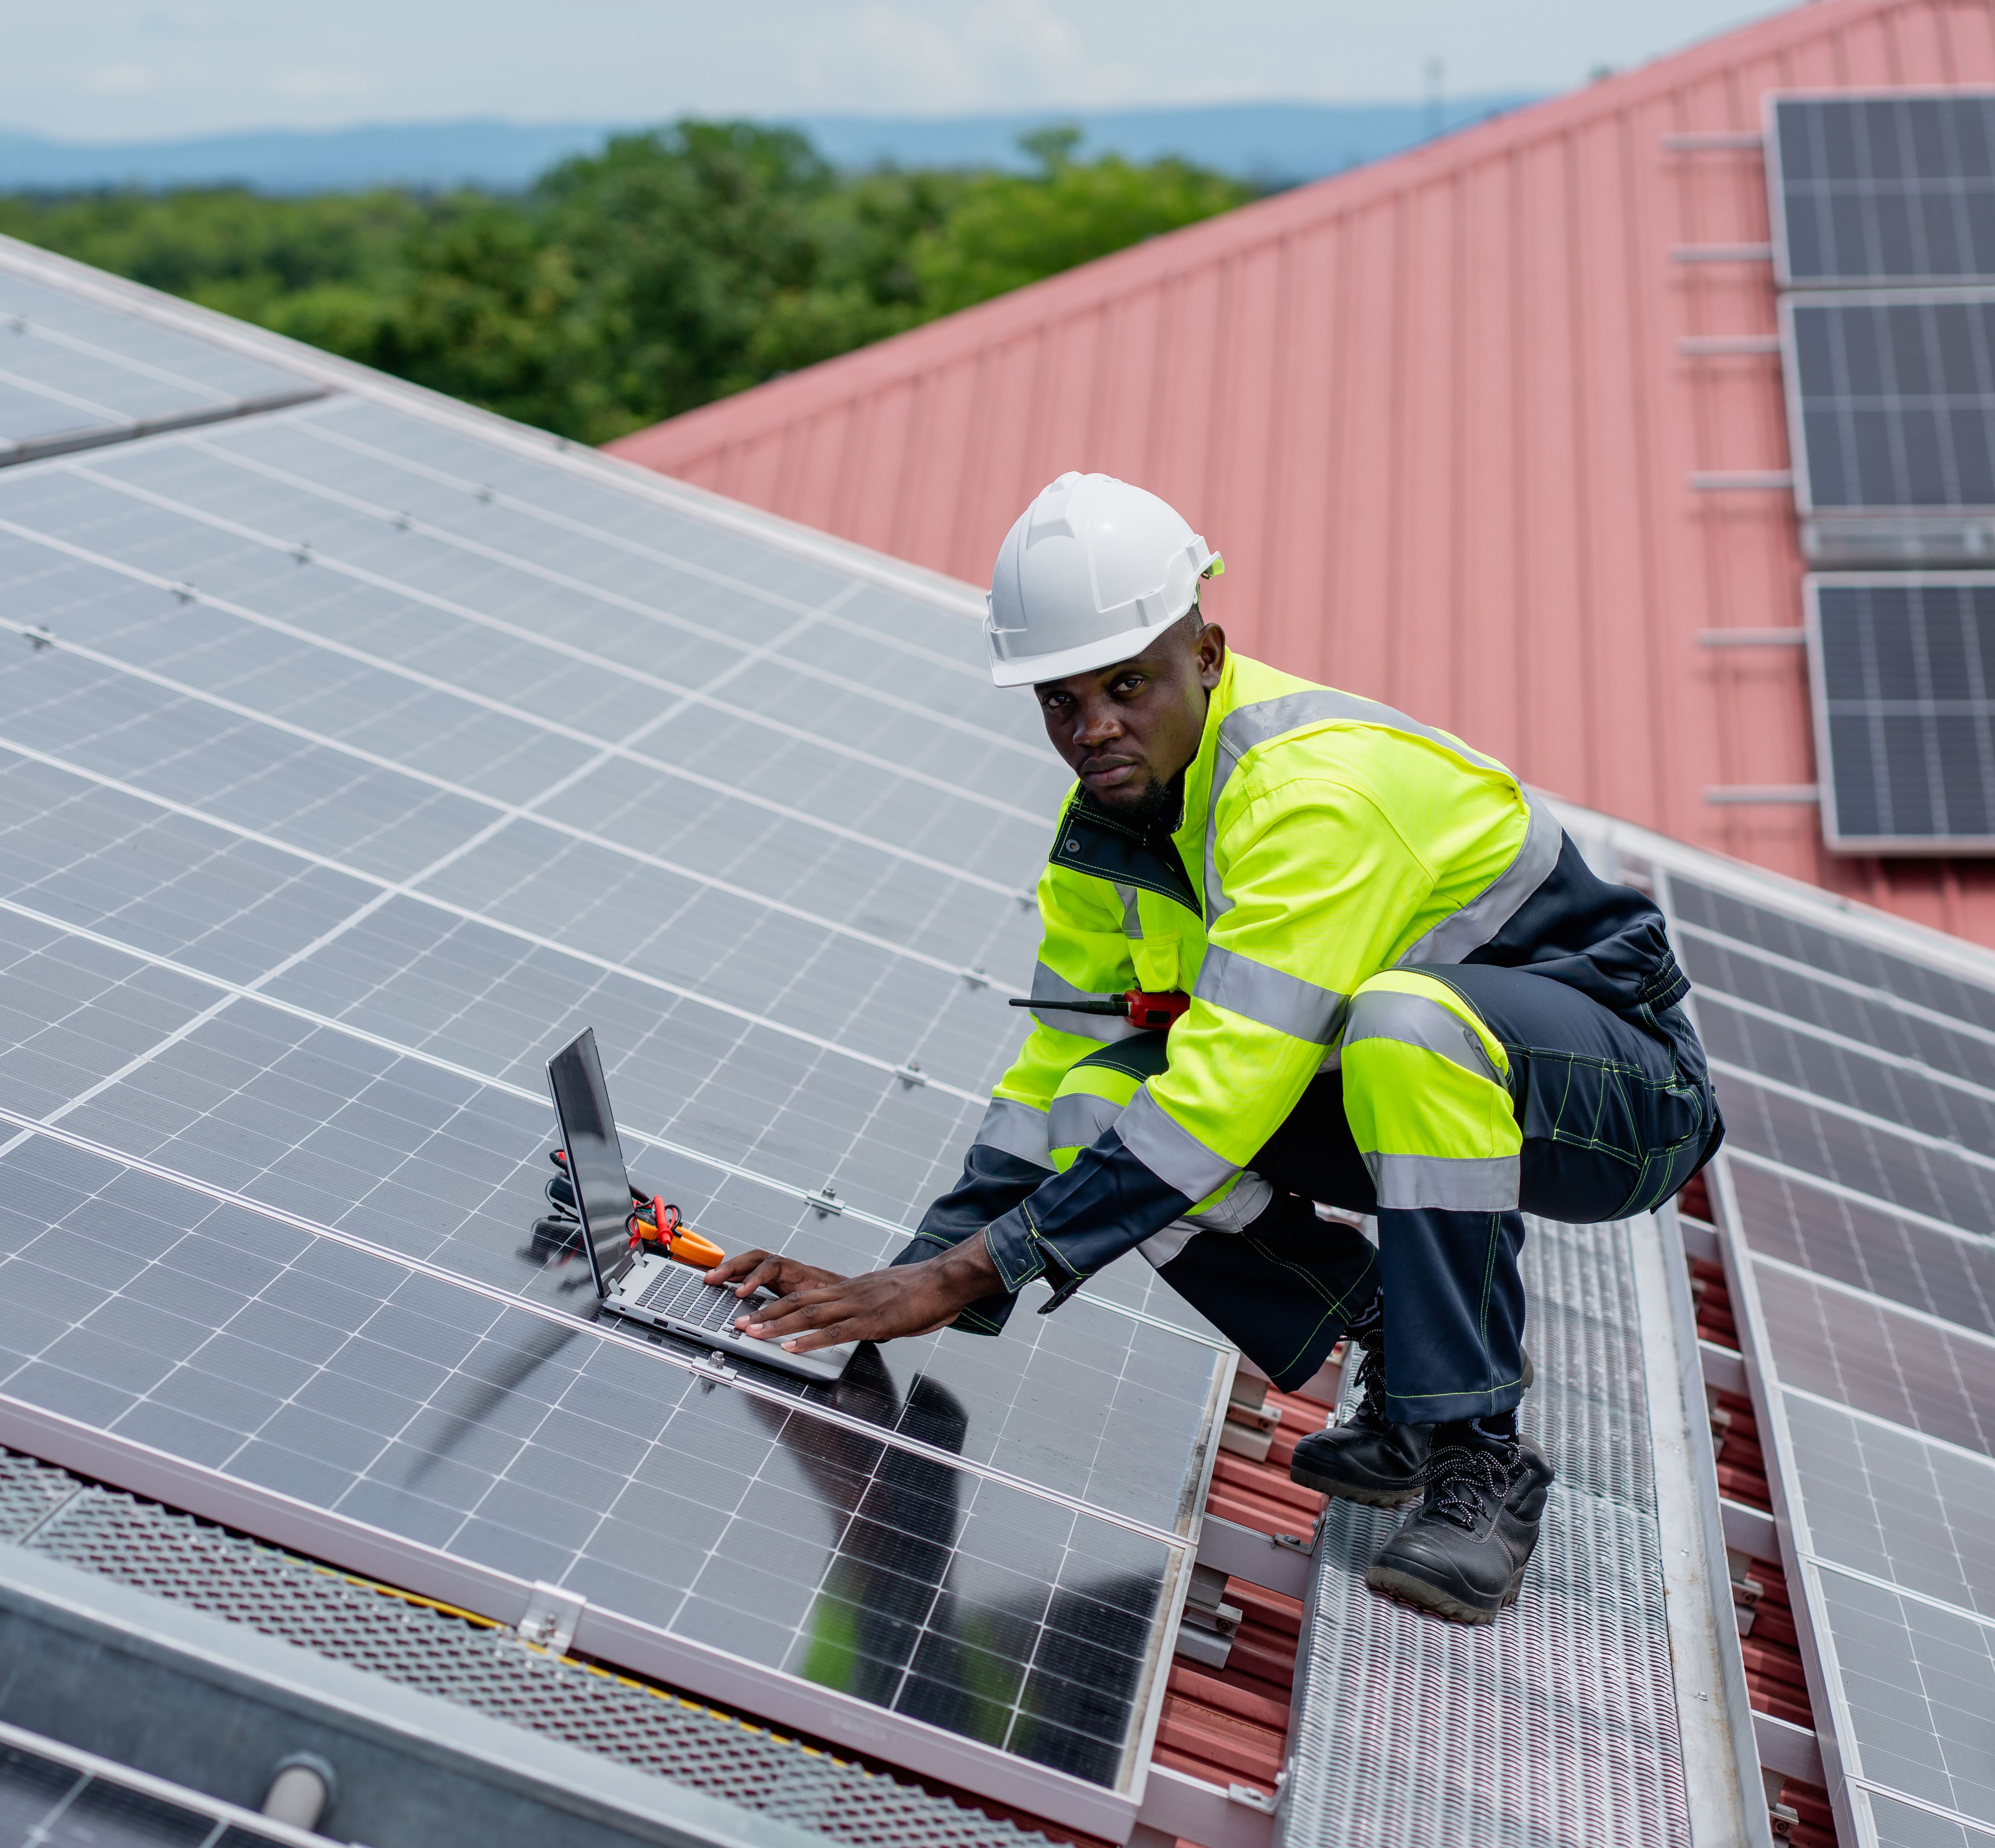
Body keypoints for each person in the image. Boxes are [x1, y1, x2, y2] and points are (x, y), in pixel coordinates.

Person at [707, 472, 1721, 1625]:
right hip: (1413, 1096)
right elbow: (1053, 1080)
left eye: (1127, 685)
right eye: (1061, 700)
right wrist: (907, 1275)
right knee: (1102, 1099)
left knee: (1403, 1026)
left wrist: (954, 1280)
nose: (1093, 731)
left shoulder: (1307, 796)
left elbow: (1223, 1101)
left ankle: (1477, 1457)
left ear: (1207, 651)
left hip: (1619, 1099)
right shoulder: (1108, 836)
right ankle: (1390, 1332)